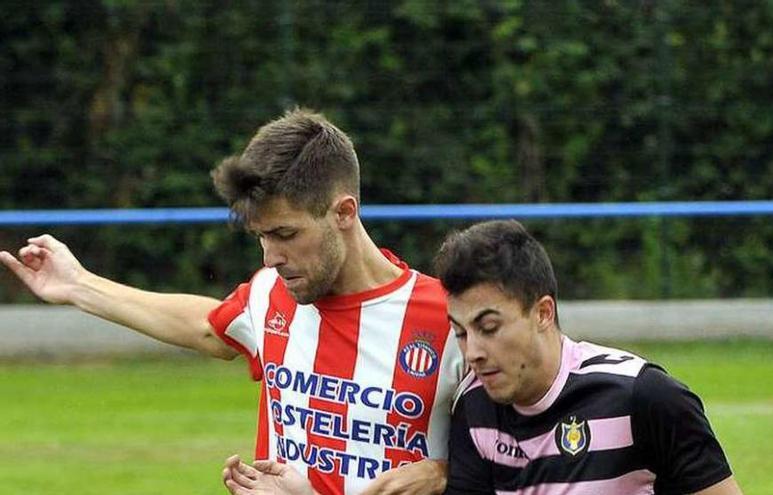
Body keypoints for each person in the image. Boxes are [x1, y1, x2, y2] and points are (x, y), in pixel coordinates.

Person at [0, 109, 463, 495]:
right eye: (261, 236)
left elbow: (522, 452)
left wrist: (446, 474)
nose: (271, 256)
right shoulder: (268, 295)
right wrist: (79, 285)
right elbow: (206, 325)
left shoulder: (451, 319)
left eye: (285, 234)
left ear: (344, 212)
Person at [433, 220, 743, 494]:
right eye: (461, 333)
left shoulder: (643, 396)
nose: (472, 352)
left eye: (489, 327)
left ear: (542, 313)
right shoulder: (474, 407)